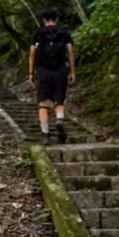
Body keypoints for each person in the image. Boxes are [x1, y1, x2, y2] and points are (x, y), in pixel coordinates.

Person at [28, 9, 75, 145]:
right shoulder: (64, 33)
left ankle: (45, 135)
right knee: (58, 101)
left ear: (44, 20)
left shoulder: (37, 34)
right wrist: (72, 72)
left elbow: (32, 54)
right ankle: (59, 120)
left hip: (43, 71)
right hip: (60, 70)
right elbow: (70, 53)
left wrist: (31, 73)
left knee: (43, 103)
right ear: (56, 19)